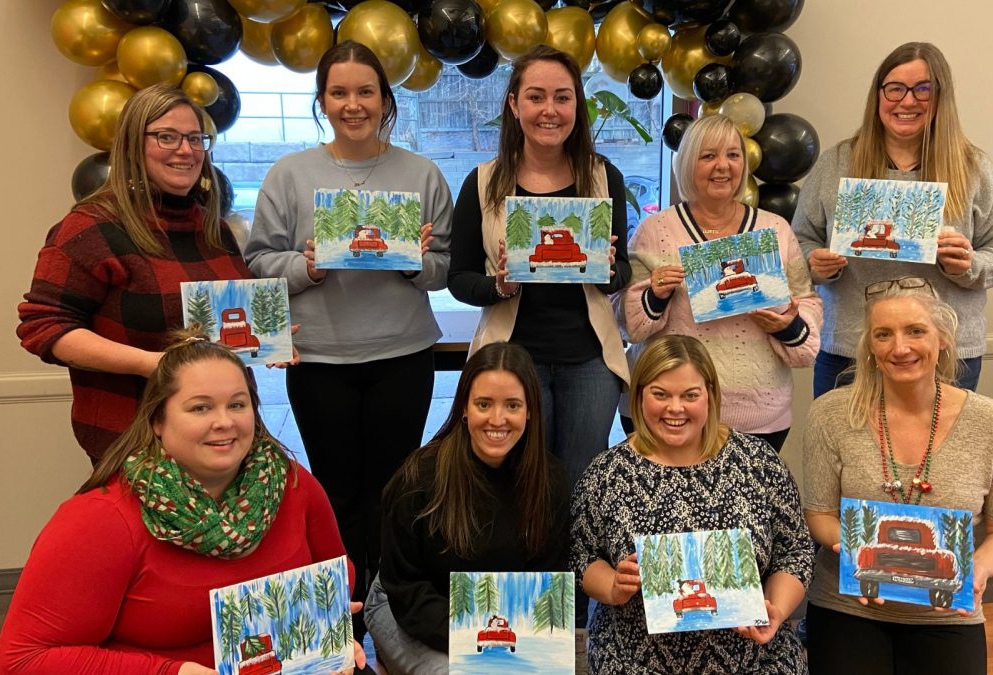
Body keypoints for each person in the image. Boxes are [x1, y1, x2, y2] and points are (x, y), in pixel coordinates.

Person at [244, 40, 453, 640]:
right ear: (323, 101)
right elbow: (258, 260)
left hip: (404, 354)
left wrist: (415, 263)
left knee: (394, 488)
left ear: (386, 100)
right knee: (335, 490)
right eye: (340, 92)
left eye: (366, 92)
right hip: (319, 359)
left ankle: (390, 610)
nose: (353, 104)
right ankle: (338, 620)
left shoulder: (420, 172)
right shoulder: (290, 174)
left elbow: (445, 265)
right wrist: (306, 266)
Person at [0, 333, 364, 674]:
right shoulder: (101, 520)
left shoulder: (292, 483)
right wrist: (173, 672)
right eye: (200, 408)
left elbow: (337, 569)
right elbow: (24, 660)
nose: (224, 422)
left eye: (237, 404)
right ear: (158, 419)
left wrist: (322, 620)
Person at [802, 279, 993, 675]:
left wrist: (977, 569)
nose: (900, 348)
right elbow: (819, 514)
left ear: (942, 339)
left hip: (945, 611)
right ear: (870, 347)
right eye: (883, 334)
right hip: (848, 603)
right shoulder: (830, 415)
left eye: (916, 331)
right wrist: (849, 548)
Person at [18, 84, 252, 462]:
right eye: (166, 137)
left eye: (195, 138)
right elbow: (44, 327)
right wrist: (151, 364)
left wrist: (262, 337)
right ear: (132, 145)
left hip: (220, 440)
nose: (186, 150)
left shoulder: (213, 229)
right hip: (133, 440)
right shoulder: (91, 227)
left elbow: (220, 324)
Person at [571, 335, 813, 673]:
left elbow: (795, 552)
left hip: (753, 659)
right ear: (639, 395)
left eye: (690, 395)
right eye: (660, 394)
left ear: (710, 396)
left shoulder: (759, 463)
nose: (675, 408)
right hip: (635, 661)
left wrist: (774, 609)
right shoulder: (606, 473)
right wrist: (612, 586)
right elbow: (583, 557)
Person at [447, 44, 632, 487]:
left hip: (589, 359)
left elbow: (622, 271)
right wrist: (500, 286)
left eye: (562, 97)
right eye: (535, 96)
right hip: (511, 359)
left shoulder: (605, 176)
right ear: (513, 104)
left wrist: (607, 269)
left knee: (581, 483)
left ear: (577, 105)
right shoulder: (483, 181)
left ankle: (578, 560)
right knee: (519, 482)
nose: (549, 110)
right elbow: (458, 278)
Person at [792, 41, 993, 398]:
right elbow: (799, 241)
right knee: (846, 451)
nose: (908, 101)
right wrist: (815, 264)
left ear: (942, 97)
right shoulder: (836, 164)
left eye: (923, 89)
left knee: (936, 454)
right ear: (878, 95)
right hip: (851, 351)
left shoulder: (973, 168)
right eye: (895, 88)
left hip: (944, 353)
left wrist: (969, 264)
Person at [618, 114, 820, 452]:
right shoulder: (655, 230)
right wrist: (654, 296)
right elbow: (627, 326)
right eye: (708, 156)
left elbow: (807, 311)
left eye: (733, 155)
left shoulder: (775, 231)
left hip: (757, 416)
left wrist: (789, 325)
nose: (722, 166)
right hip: (667, 413)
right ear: (686, 164)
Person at [365, 342, 569, 673]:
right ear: (464, 408)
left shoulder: (551, 481)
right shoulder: (419, 478)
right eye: (484, 404)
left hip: (497, 617)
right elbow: (406, 587)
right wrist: (480, 648)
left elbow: (549, 579)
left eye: (512, 405)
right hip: (405, 602)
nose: (497, 419)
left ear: (530, 410)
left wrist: (517, 648)